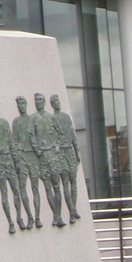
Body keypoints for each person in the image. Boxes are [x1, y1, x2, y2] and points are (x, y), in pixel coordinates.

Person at [0, 96, 26, 232]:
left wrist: (16, 161)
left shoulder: (4, 123)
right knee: (4, 193)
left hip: (9, 161)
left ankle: (19, 217)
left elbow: (11, 143)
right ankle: (10, 222)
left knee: (16, 190)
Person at [31, 91, 66, 228]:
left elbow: (60, 133)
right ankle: (55, 215)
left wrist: (57, 146)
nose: (38, 102)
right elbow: (31, 135)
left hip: (52, 155)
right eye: (36, 100)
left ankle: (59, 216)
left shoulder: (51, 117)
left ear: (44, 102)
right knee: (47, 187)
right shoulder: (33, 118)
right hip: (42, 156)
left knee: (57, 185)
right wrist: (37, 149)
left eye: (40, 99)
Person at [50, 93, 81, 222]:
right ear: (52, 104)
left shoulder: (66, 117)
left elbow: (72, 135)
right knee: (65, 183)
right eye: (55, 101)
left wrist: (77, 152)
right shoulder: (51, 119)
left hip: (70, 152)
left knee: (74, 182)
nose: (58, 102)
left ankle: (73, 209)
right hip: (60, 154)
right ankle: (71, 212)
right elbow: (51, 138)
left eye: (58, 100)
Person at [12, 95, 41, 229]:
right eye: (19, 103)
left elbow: (38, 137)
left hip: (33, 156)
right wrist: (17, 158)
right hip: (22, 156)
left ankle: (38, 217)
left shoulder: (33, 120)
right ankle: (29, 216)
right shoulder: (16, 121)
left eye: (23, 103)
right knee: (22, 187)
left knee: (35, 188)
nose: (21, 105)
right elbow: (15, 140)